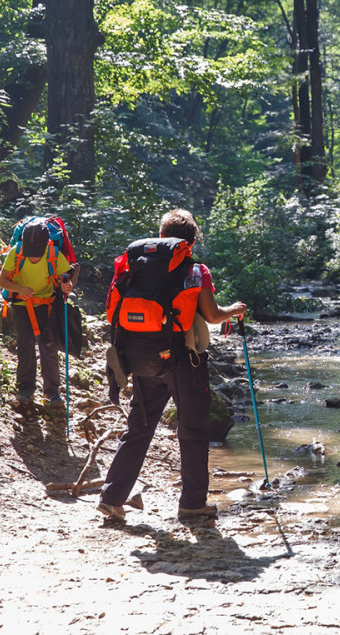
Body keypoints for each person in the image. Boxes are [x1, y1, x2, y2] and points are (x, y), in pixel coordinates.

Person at [97, 209, 246, 522]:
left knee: (138, 428)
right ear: (190, 242)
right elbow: (213, 315)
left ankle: (111, 498)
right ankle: (192, 503)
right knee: (192, 429)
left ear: (161, 236)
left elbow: (113, 310)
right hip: (181, 359)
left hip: (139, 357)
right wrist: (236, 309)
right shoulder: (194, 270)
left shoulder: (134, 263)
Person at [0, 220, 76, 407]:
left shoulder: (54, 254)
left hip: (46, 305)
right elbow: (2, 281)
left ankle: (52, 392)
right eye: (30, 253)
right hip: (21, 304)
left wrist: (67, 286)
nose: (33, 257)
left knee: (49, 346)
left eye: (36, 254)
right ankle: (25, 389)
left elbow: (67, 279)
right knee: (25, 345)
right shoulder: (15, 252)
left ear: (45, 245)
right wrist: (19, 288)